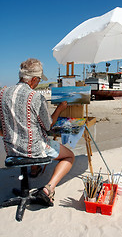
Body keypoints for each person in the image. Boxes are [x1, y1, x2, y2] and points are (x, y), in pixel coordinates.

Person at [0, 58, 75, 206]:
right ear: (33, 79)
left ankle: (34, 171)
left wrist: (13, 135)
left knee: (32, 138)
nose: (39, 82)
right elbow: (48, 126)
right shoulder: (36, 97)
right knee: (69, 156)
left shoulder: (2, 93)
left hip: (11, 151)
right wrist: (60, 109)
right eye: (39, 80)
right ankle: (48, 189)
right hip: (33, 151)